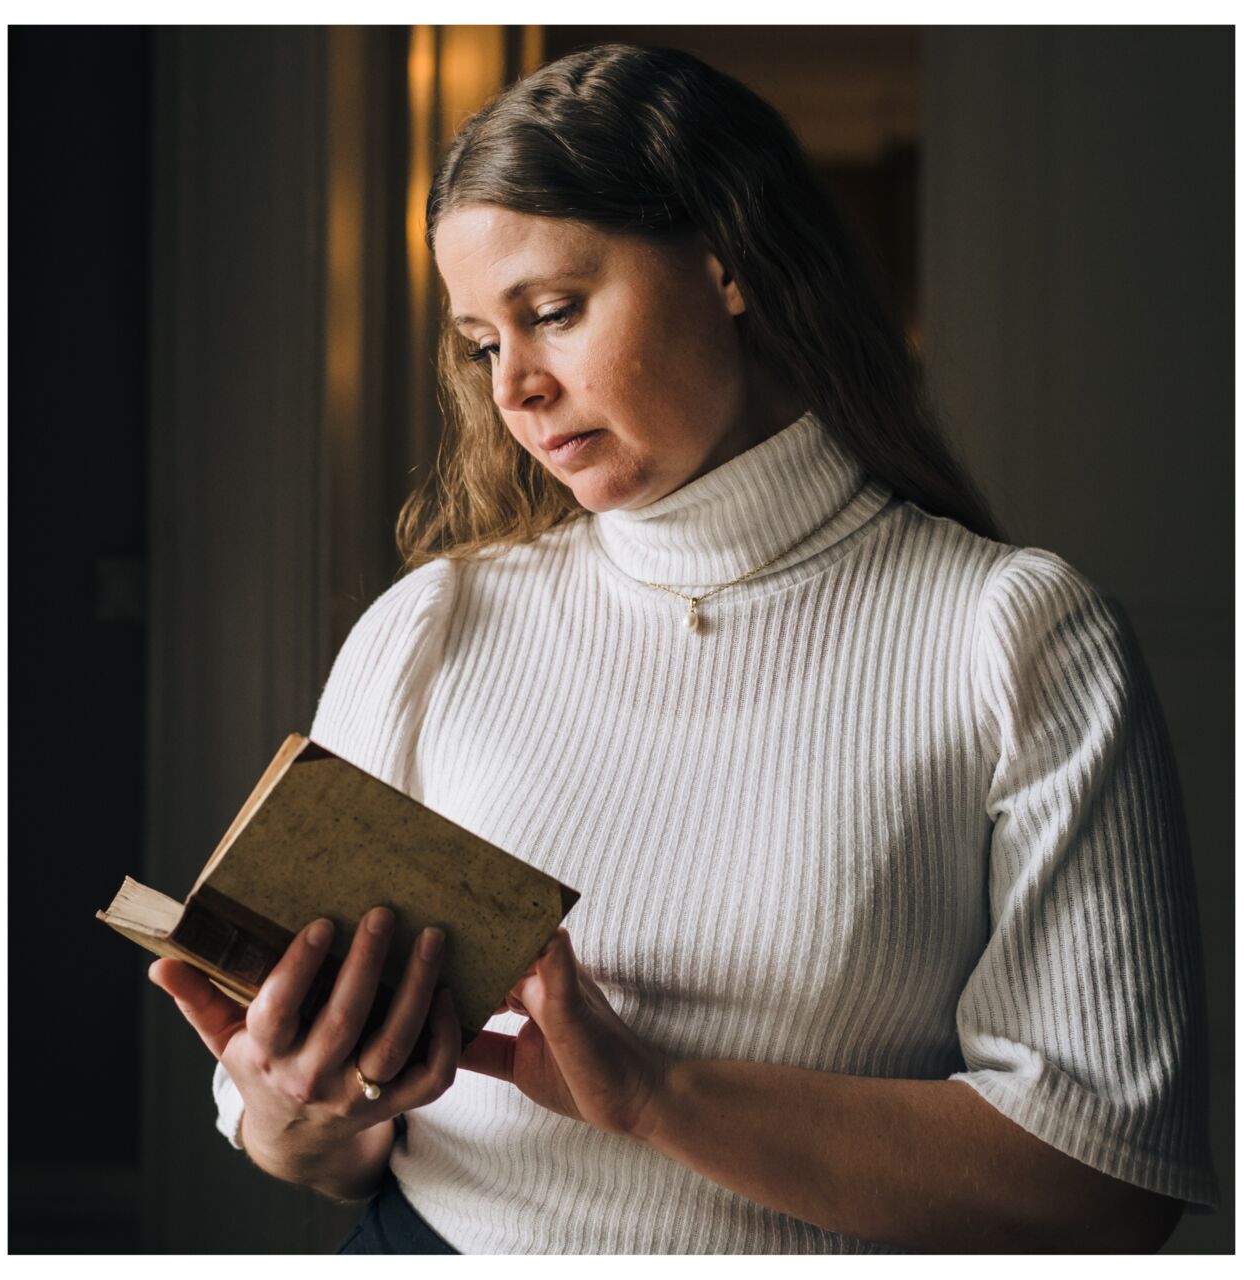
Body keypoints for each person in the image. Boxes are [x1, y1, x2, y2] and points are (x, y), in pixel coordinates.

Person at [150, 43, 1220, 1254]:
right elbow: (312, 1153)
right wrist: (301, 1104)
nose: (516, 390)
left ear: (725, 261)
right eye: (480, 342)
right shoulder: (432, 625)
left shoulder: (1013, 636)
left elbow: (1106, 1183)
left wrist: (656, 1095)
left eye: (551, 311)